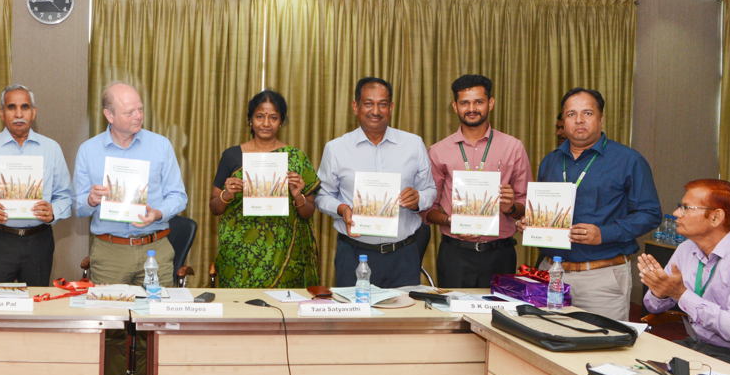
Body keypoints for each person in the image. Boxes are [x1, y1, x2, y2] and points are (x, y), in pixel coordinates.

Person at [74, 81, 187, 375]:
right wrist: (91, 199)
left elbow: (178, 196)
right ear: (109, 115)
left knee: (156, 326)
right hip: (110, 250)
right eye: (130, 111)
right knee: (109, 329)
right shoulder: (90, 151)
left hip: (154, 247)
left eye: (140, 108)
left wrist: (158, 212)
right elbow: (76, 205)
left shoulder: (160, 146)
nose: (139, 115)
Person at [529, 87, 659, 321]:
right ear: (563, 119)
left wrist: (604, 233)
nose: (579, 120)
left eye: (587, 113)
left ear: (601, 118)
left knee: (600, 347)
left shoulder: (629, 160)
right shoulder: (550, 161)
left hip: (601, 277)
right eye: (571, 114)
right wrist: (531, 223)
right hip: (552, 274)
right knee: (547, 342)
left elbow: (650, 213)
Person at [316, 77, 436, 288]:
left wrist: (419, 199)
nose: (376, 111)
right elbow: (322, 196)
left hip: (403, 255)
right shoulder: (336, 148)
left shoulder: (413, 144)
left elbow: (430, 190)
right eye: (368, 103)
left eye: (382, 104)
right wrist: (341, 208)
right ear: (356, 106)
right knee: (354, 320)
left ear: (391, 107)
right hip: (353, 254)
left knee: (404, 319)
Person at [0, 84, 72, 286]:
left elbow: (65, 197)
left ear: (33, 112)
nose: (19, 113)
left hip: (39, 241)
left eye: (25, 107)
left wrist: (54, 211)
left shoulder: (51, 149)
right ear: (2, 113)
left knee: (37, 306)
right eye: (11, 107)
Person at [425, 74, 531, 287]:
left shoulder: (513, 147)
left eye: (478, 102)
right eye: (464, 102)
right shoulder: (438, 151)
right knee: (453, 318)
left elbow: (527, 207)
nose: (471, 108)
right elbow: (427, 209)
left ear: (490, 103)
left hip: (500, 254)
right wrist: (450, 221)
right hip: (455, 255)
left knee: (497, 318)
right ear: (455, 106)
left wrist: (510, 208)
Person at [210, 90, 319, 287]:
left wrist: (298, 196)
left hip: (284, 255)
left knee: (280, 312)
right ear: (250, 120)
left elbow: (308, 212)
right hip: (239, 254)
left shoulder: (295, 158)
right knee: (239, 311)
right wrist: (227, 195)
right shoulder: (232, 156)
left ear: (281, 121)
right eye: (260, 116)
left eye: (273, 117)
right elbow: (215, 207)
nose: (266, 123)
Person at [639, 179, 730, 370]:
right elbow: (652, 306)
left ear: (715, 217)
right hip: (698, 346)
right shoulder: (686, 249)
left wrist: (681, 294)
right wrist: (661, 290)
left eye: (685, 208)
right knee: (635, 370)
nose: (676, 214)